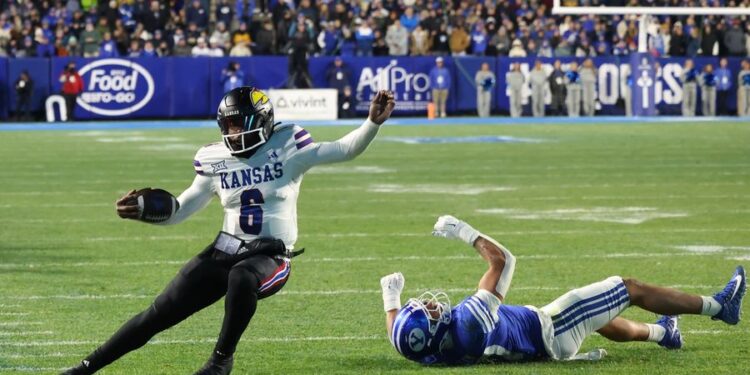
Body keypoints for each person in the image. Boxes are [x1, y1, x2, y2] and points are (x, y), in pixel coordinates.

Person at [60, 88, 396, 375]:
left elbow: (345, 149)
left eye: (240, 123)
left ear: (261, 121)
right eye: (229, 125)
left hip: (271, 255)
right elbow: (179, 210)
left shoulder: (288, 145)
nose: (233, 132)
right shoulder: (214, 158)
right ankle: (86, 367)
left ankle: (220, 362)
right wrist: (145, 212)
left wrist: (372, 123)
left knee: (242, 277)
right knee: (158, 313)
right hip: (225, 249)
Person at [380, 215, 746, 365]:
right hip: (550, 329)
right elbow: (504, 261)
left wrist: (391, 299)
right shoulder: (467, 326)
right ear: (434, 329)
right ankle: (719, 307)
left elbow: (401, 337)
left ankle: (664, 333)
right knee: (628, 288)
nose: (430, 303)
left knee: (598, 317)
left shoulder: (429, 350)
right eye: (428, 311)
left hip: (543, 336)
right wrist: (464, 231)